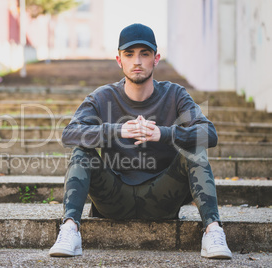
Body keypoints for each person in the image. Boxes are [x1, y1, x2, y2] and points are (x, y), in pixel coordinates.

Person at [49, 23, 232, 259]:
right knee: (81, 151)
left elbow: (209, 133)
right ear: (119, 60)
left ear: (156, 59)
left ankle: (213, 231)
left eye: (144, 54)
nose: (137, 61)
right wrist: (118, 131)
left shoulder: (175, 94)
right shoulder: (102, 96)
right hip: (113, 197)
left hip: (161, 197)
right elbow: (70, 133)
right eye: (129, 54)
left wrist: (164, 134)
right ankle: (70, 229)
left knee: (195, 149)